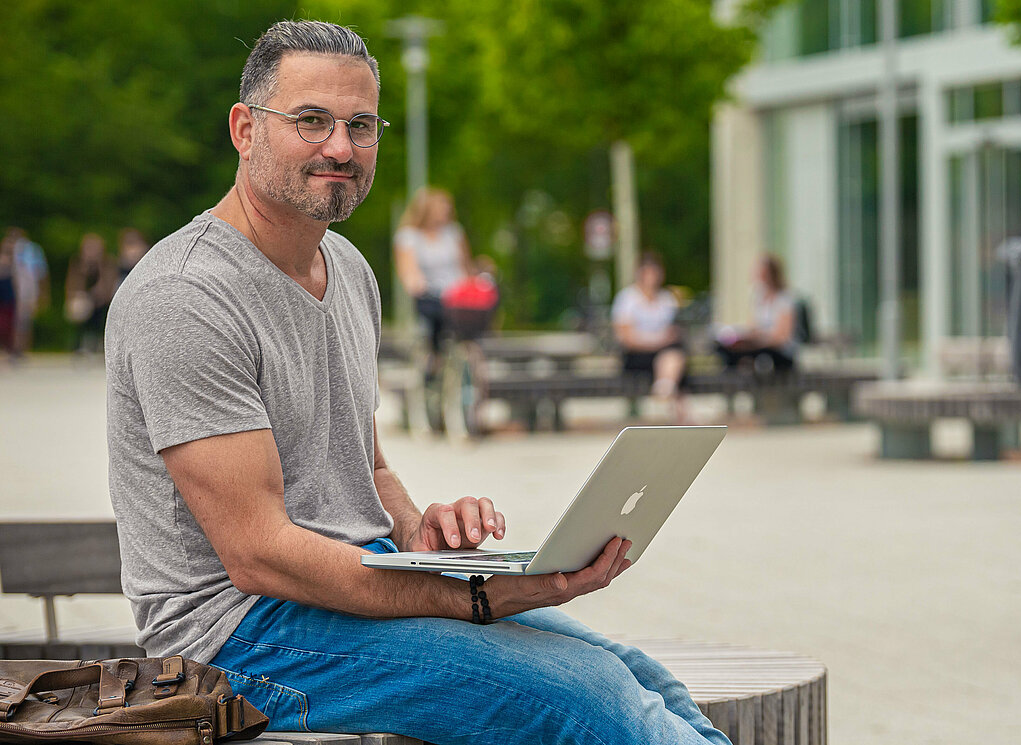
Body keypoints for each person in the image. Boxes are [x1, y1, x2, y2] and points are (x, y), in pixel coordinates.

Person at [104, 20, 729, 745]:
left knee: (642, 676)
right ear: (246, 128)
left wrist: (418, 529)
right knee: (588, 697)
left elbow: (366, 466)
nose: (340, 147)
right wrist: (473, 598)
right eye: (311, 121)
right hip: (237, 639)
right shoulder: (186, 296)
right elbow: (259, 552)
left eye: (360, 125)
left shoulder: (349, 271)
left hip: (353, 578)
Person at [394, 186, 473, 377]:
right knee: (434, 330)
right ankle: (433, 365)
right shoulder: (409, 237)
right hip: (431, 294)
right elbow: (407, 269)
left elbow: (465, 266)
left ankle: (469, 365)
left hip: (457, 293)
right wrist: (415, 283)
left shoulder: (454, 233)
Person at [612, 251, 689, 410]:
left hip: (664, 353)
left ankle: (664, 390)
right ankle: (669, 398)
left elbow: (672, 331)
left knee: (674, 355)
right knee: (672, 357)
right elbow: (626, 338)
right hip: (636, 355)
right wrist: (657, 341)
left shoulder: (666, 299)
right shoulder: (627, 298)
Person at [715, 255, 798, 374]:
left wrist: (758, 339)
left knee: (757, 357)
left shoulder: (785, 299)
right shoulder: (759, 297)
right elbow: (753, 326)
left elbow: (782, 337)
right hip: (760, 345)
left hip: (779, 351)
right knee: (724, 350)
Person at [66, 232, 116, 355]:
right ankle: (79, 345)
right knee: (80, 308)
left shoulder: (107, 263)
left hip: (102, 300)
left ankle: (97, 343)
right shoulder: (78, 264)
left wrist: (99, 266)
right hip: (84, 300)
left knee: (100, 313)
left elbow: (108, 284)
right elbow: (72, 284)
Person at [7, 227, 48, 359]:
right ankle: (13, 348)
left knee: (24, 320)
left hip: (27, 289)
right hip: (11, 289)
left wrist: (42, 293)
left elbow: (40, 272)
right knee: (13, 320)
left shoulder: (32, 251)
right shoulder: (7, 249)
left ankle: (21, 349)